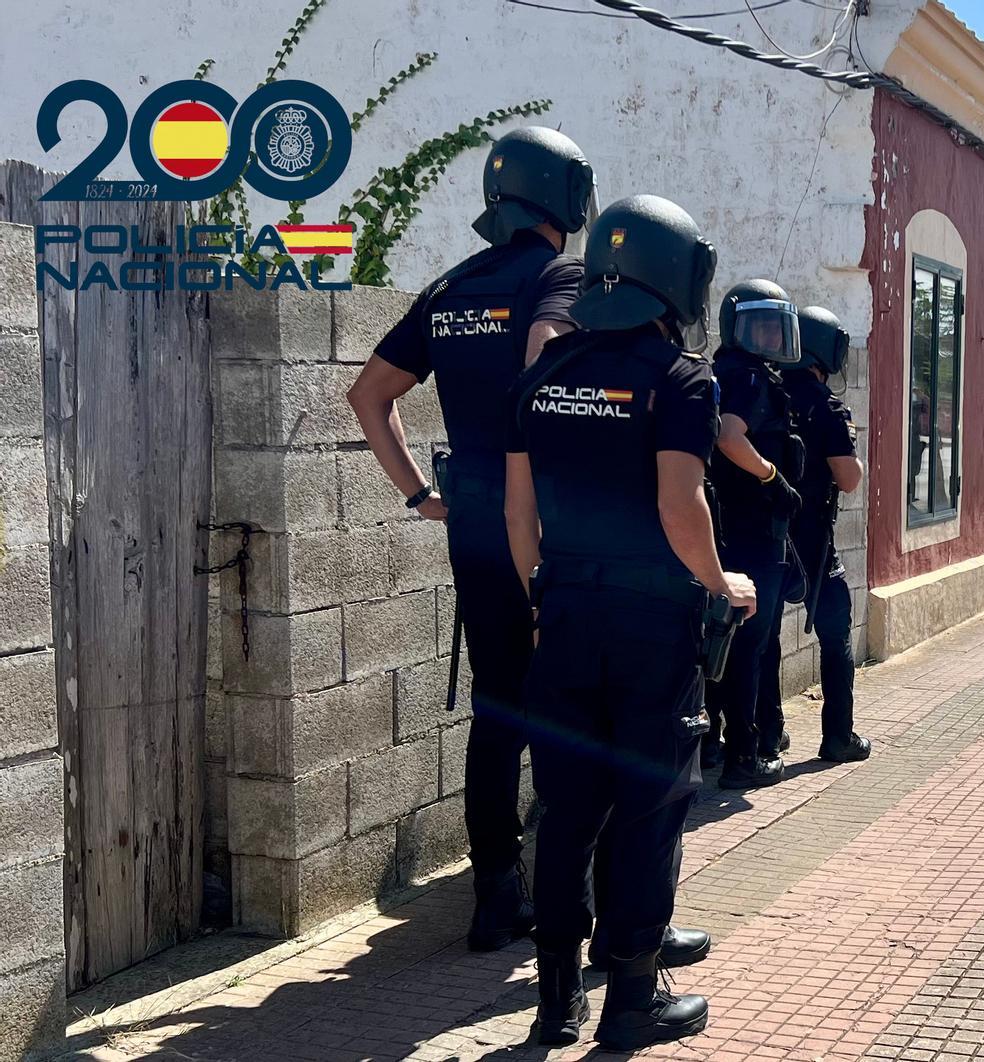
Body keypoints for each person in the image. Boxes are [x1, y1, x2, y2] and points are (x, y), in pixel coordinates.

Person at [505, 194, 756, 1049]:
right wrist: (724, 583)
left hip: (566, 613)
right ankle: (631, 1004)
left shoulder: (541, 372)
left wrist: (545, 599)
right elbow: (681, 503)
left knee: (567, 808)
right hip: (653, 626)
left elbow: (518, 513)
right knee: (649, 810)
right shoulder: (681, 378)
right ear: (678, 279)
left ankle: (554, 1004)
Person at [347, 126, 596, 951]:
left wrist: (421, 494)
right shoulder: (560, 274)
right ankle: (572, 892)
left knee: (497, 708)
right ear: (566, 194)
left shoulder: (448, 288)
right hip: (549, 524)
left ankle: (495, 896)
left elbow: (368, 397)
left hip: (474, 525)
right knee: (566, 705)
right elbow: (543, 356)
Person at [704, 280, 805, 789]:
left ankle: (717, 739)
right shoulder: (746, 378)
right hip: (752, 533)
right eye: (760, 326)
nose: (770, 336)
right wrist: (772, 476)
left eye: (775, 326)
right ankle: (744, 756)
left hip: (720, 532)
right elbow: (727, 435)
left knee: (722, 637)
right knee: (752, 644)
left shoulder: (718, 372)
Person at [780, 306, 871, 763]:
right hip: (814, 540)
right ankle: (839, 735)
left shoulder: (767, 393)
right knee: (836, 634)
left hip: (768, 532)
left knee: (755, 637)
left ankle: (764, 733)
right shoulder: (826, 405)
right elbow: (849, 478)